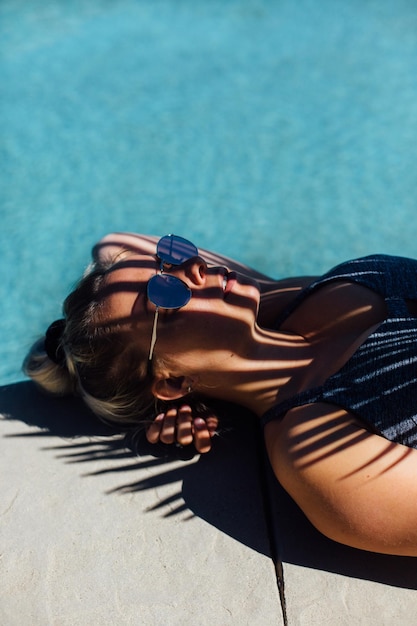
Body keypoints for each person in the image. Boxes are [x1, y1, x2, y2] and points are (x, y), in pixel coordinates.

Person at [24, 232, 417, 557]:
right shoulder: (321, 452)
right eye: (166, 293)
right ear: (172, 381)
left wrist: (199, 396)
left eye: (171, 257)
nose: (195, 268)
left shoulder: (283, 299)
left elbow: (110, 244)